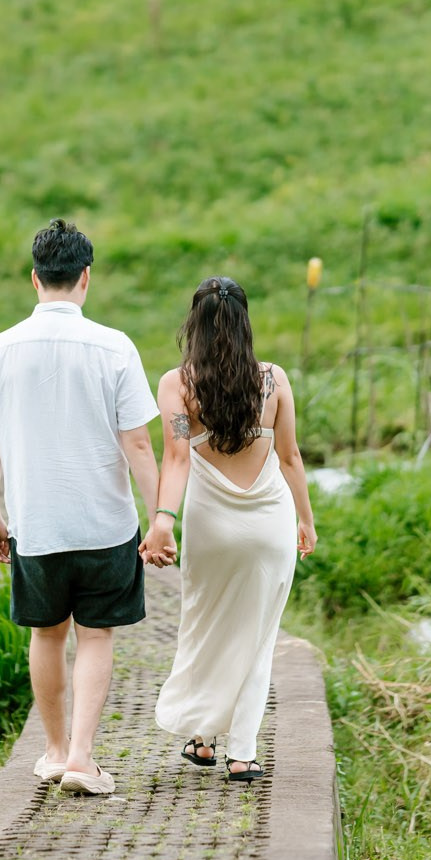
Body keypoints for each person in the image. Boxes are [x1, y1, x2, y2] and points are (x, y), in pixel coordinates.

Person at [0, 219, 161, 797]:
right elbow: (139, 444)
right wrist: (160, 519)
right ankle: (82, 757)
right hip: (106, 524)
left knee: (47, 635)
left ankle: (53, 752)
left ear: (35, 278)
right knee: (95, 637)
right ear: (85, 277)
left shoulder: (0, 348)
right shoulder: (115, 345)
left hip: (36, 524)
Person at [141, 276, 317, 782]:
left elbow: (176, 458)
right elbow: (290, 457)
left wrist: (163, 521)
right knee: (258, 636)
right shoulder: (273, 380)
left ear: (193, 325)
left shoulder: (177, 385)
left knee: (204, 626)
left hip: (210, 526)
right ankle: (243, 753)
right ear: (245, 323)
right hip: (270, 523)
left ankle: (202, 741)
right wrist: (306, 519)